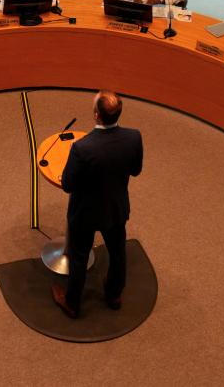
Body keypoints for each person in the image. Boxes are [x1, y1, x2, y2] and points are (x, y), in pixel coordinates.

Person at [52, 90, 144, 319]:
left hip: (85, 212)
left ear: (96, 115)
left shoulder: (82, 148)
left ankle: (72, 303)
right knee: (117, 252)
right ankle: (114, 295)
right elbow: (135, 170)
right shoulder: (134, 137)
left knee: (79, 256)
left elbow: (68, 185)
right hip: (115, 208)